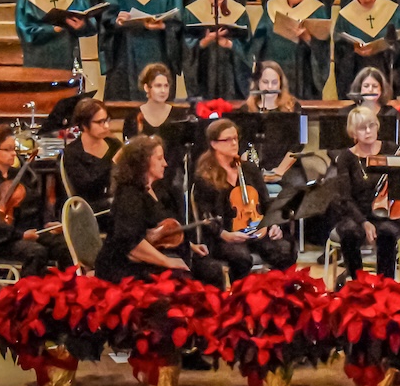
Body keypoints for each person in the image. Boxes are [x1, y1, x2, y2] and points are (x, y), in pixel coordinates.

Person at [95, 135, 225, 287]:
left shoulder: (157, 189)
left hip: (151, 255)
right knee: (183, 279)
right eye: (159, 158)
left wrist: (189, 246)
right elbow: (131, 244)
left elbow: (159, 231)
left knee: (212, 271)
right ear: (143, 163)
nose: (165, 163)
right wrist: (167, 262)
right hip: (125, 265)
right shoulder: (129, 195)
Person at [192, 119, 297, 281]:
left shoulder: (249, 169)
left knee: (284, 249)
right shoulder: (205, 176)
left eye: (236, 138)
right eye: (228, 140)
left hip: (256, 228)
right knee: (240, 257)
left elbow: (267, 202)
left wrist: (272, 224)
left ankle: (278, 293)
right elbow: (204, 214)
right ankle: (241, 295)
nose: (234, 143)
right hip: (225, 234)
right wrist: (224, 234)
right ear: (214, 144)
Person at [0, 125, 70, 277]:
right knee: (35, 252)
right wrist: (20, 235)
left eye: (14, 149)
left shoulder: (18, 175)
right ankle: (28, 295)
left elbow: (34, 204)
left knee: (64, 245)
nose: (13, 154)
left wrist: (47, 223)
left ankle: (67, 290)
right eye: (7, 150)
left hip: (22, 232)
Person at [328, 104, 400, 283]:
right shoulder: (346, 158)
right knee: (349, 233)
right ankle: (357, 283)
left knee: (387, 232)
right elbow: (345, 198)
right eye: (362, 128)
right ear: (353, 133)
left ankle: (385, 285)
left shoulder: (391, 150)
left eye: (372, 125)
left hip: (385, 212)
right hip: (355, 213)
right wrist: (364, 222)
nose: (368, 131)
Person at [99, 0, 183, 102]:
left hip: (158, 45)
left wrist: (164, 24)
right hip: (127, 48)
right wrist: (117, 20)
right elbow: (107, 18)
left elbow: (178, 18)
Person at [250, 0, 331, 99]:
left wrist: (308, 39)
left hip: (303, 73)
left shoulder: (317, 10)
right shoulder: (273, 6)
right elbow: (259, 39)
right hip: (275, 67)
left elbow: (323, 48)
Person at [182, 0, 251, 101]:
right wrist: (203, 42)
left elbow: (248, 45)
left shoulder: (238, 11)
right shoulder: (193, 11)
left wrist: (230, 44)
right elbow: (185, 46)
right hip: (204, 70)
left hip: (230, 73)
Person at [333, 0, 400, 99]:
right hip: (355, 67)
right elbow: (339, 47)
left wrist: (387, 46)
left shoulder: (390, 10)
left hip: (383, 64)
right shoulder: (346, 15)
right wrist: (353, 49)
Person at [122, 64, 190, 191]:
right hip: (143, 177)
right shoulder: (134, 116)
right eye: (158, 86)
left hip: (173, 177)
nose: (163, 91)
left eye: (166, 86)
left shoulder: (179, 115)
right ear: (146, 88)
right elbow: (130, 151)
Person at [61, 98, 121, 217]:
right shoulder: (72, 152)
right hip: (91, 209)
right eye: (100, 122)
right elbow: (86, 187)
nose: (106, 126)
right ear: (84, 125)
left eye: (107, 120)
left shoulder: (114, 145)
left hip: (115, 201)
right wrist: (114, 161)